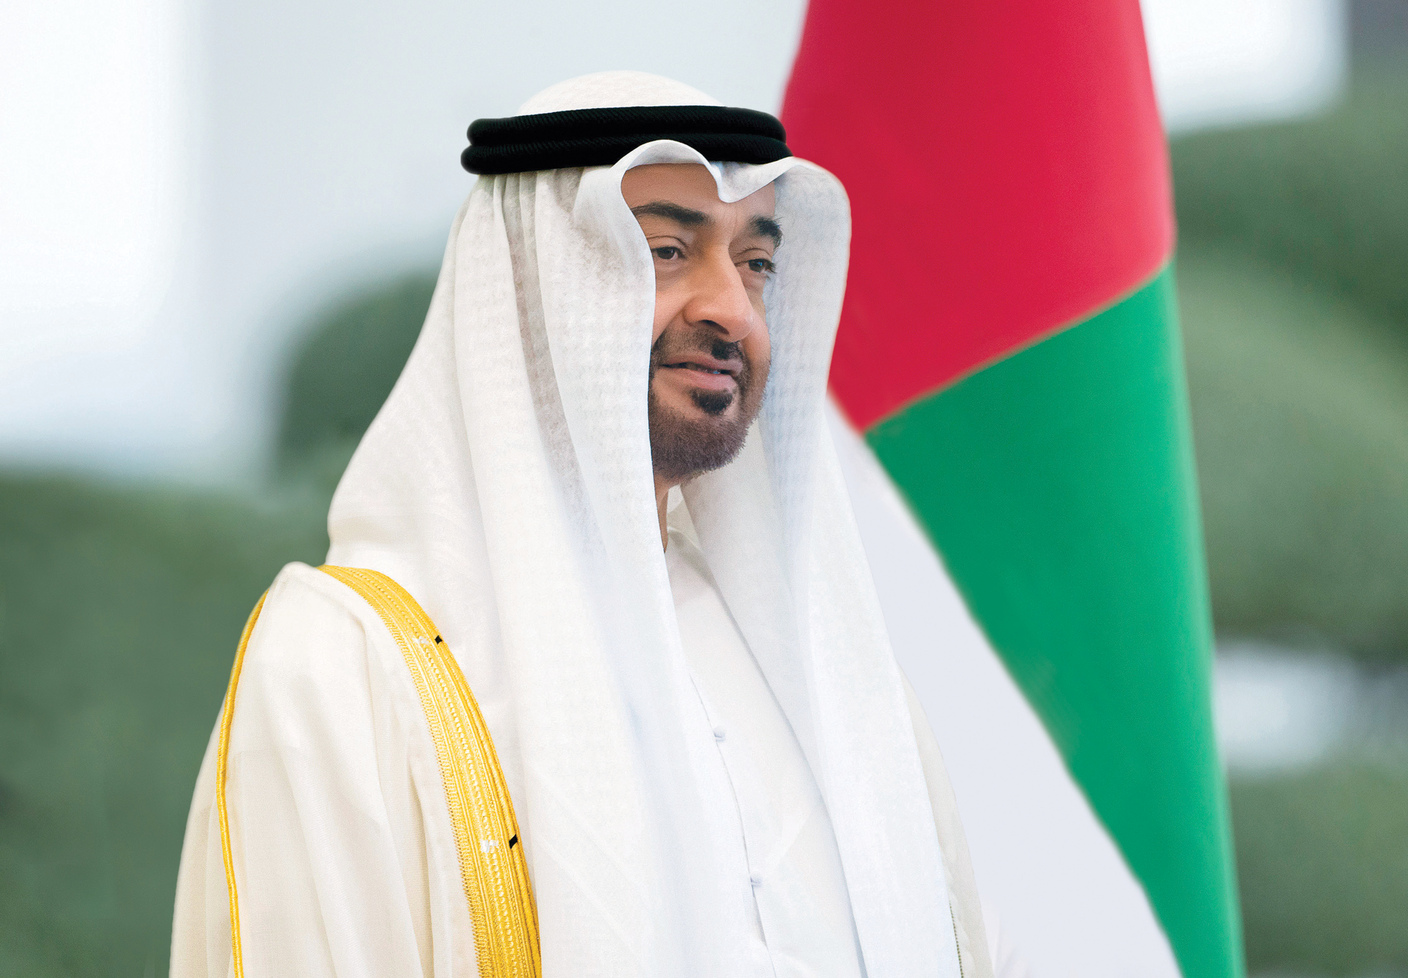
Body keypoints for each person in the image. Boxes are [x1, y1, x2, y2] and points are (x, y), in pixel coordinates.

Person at [171, 71, 995, 978]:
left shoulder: (822, 665)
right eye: (666, 252)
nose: (732, 309)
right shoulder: (345, 664)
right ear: (532, 290)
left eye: (756, 263)